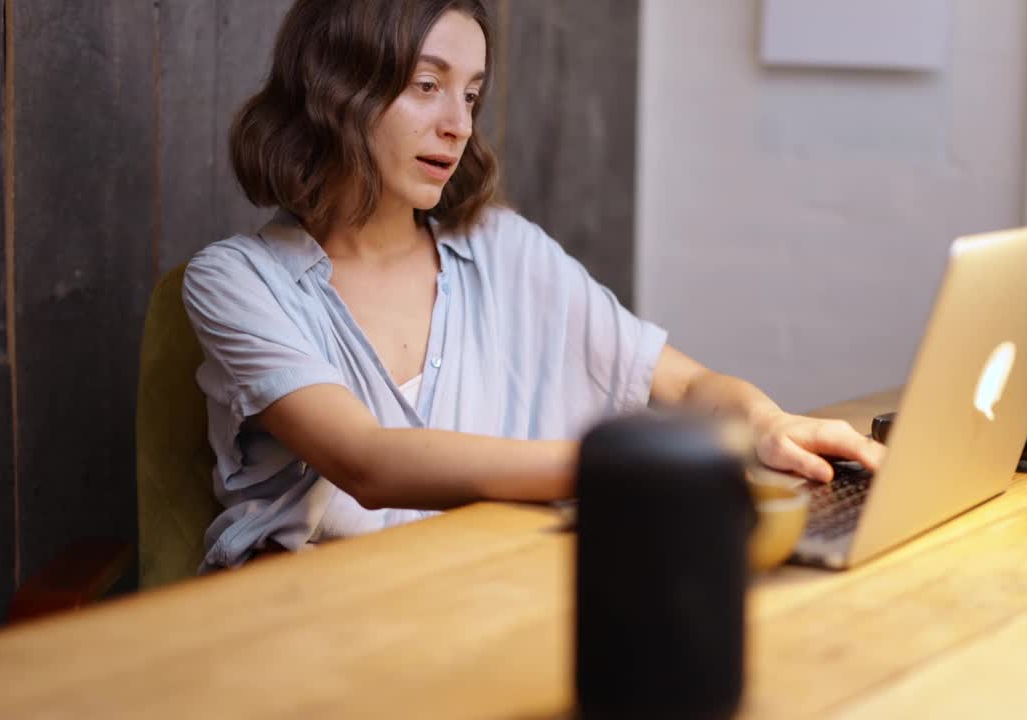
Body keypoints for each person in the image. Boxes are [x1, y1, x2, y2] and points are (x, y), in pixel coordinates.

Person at [182, 0, 885, 571]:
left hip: (481, 592)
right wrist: (634, 468)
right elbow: (369, 462)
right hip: (303, 623)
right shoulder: (237, 280)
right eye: (427, 86)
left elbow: (682, 386)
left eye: (472, 95)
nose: (457, 125)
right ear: (337, 89)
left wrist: (766, 424)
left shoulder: (501, 247)